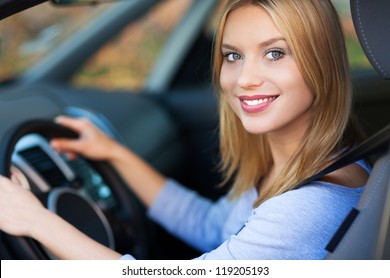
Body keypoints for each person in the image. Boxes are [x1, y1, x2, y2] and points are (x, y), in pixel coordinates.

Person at [0, 0, 371, 260]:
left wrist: (35, 220)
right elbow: (211, 227)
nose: (245, 79)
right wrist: (115, 153)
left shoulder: (309, 203)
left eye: (275, 53)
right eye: (233, 56)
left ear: (321, 63)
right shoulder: (295, 163)